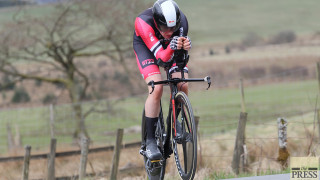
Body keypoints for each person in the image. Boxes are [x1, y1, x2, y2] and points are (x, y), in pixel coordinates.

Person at [133, 0, 191, 161]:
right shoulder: (143, 22)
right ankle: (150, 142)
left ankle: (174, 121)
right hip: (148, 49)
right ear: (157, 22)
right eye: (165, 28)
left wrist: (185, 50)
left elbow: (179, 62)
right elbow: (161, 58)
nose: (169, 31)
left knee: (182, 84)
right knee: (156, 89)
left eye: (173, 28)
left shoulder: (182, 23)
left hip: (169, 49)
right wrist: (172, 46)